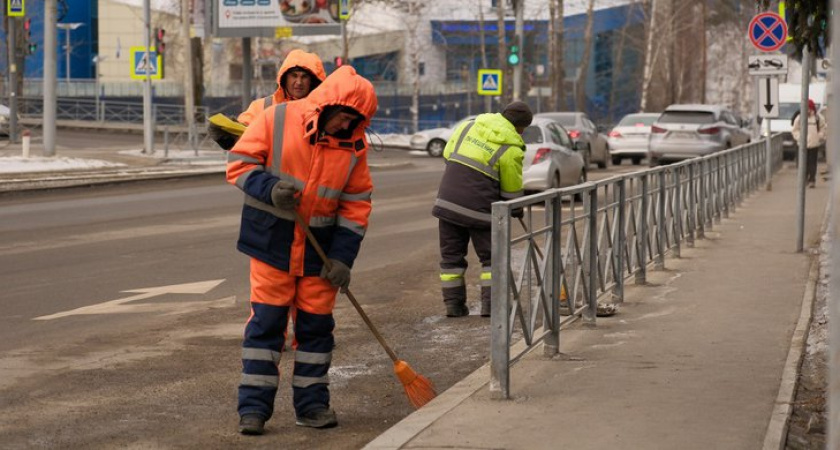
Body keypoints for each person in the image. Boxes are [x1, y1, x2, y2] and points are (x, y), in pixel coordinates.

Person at [226, 65, 377, 435]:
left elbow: (356, 205)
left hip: (319, 254)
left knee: (315, 333)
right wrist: (269, 188)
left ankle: (312, 407)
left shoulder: (354, 145)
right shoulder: (276, 118)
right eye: (342, 118)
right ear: (327, 106)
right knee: (266, 329)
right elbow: (239, 163)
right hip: (271, 243)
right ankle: (254, 410)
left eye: (353, 122)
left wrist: (343, 258)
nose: (345, 127)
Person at [431, 101, 532, 318]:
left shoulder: (469, 126)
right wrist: (517, 209)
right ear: (520, 128)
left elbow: (448, 155)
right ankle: (491, 307)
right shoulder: (511, 148)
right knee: (492, 260)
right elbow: (511, 190)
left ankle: (454, 307)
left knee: (451, 259)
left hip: (447, 203)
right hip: (480, 211)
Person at [237, 49, 327, 126]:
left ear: (312, 81)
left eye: (304, 77)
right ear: (285, 78)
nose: (299, 82)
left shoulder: (324, 111)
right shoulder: (263, 107)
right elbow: (242, 131)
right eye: (294, 76)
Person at [791, 99, 826, 188]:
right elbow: (795, 130)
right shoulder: (799, 118)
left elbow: (823, 128)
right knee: (803, 163)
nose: (808, 111)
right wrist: (800, 137)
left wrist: (820, 136)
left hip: (814, 144)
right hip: (802, 145)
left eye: (809, 109)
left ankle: (812, 180)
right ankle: (804, 179)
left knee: (812, 163)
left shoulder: (818, 118)